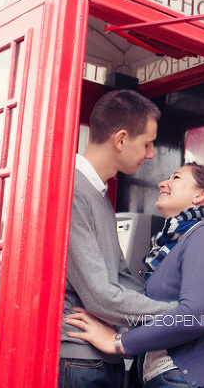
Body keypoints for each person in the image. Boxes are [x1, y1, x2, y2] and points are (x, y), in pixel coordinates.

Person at [65, 162, 204, 388]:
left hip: (181, 377)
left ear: (200, 194)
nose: (162, 183)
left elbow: (196, 314)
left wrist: (118, 342)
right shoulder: (172, 245)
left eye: (176, 178)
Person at [60, 89, 177, 388]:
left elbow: (121, 277)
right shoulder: (72, 189)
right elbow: (101, 296)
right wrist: (183, 316)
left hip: (100, 356)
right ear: (121, 139)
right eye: (147, 143)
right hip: (78, 359)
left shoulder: (97, 193)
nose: (151, 154)